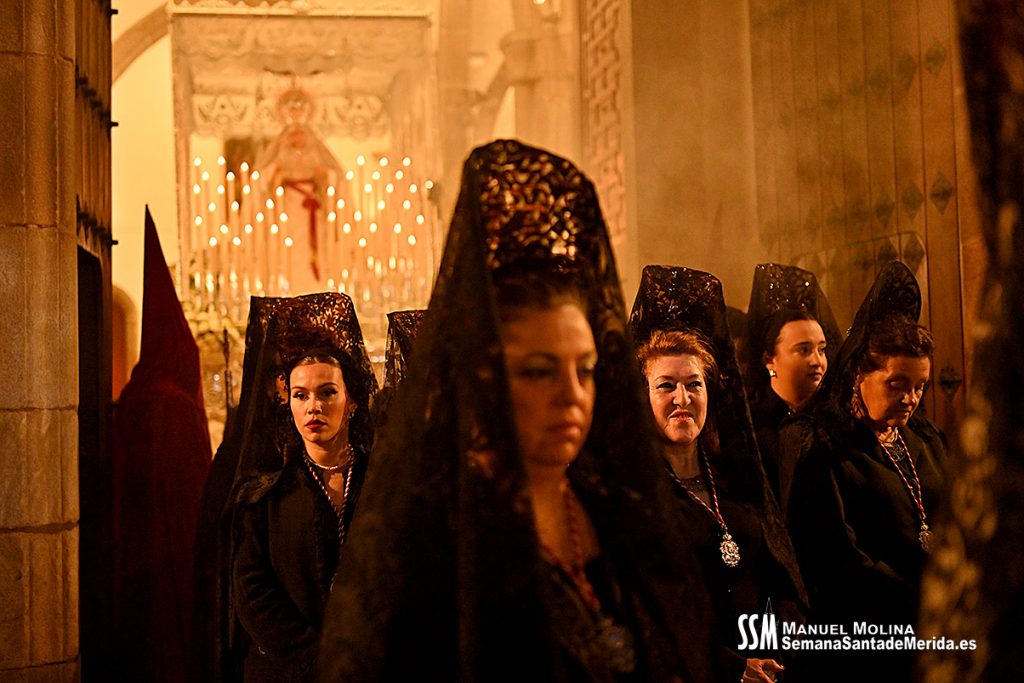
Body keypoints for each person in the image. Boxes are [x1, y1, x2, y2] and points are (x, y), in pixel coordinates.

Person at [319, 139, 720, 682]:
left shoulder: (607, 504)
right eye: (538, 370)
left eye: (585, 370)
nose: (571, 394)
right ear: (481, 380)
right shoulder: (433, 535)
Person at [630, 265, 807, 683]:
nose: (682, 398)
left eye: (694, 384)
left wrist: (776, 646)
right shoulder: (638, 494)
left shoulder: (734, 475)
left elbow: (777, 572)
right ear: (642, 397)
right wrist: (732, 666)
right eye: (665, 385)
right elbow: (647, 613)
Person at [783, 261, 946, 682]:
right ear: (860, 374)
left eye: (920, 386)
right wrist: (923, 601)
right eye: (897, 384)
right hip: (867, 641)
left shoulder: (925, 441)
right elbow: (840, 562)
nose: (910, 399)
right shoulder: (825, 450)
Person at [209, 292, 377, 682]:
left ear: (351, 401)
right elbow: (253, 589)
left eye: (327, 392)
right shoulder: (265, 491)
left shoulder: (379, 481)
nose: (313, 406)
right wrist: (315, 660)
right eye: (301, 395)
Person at [745, 264, 842, 510]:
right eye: (803, 350)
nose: (817, 361)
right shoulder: (752, 428)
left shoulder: (837, 421)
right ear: (769, 359)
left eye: (822, 350)